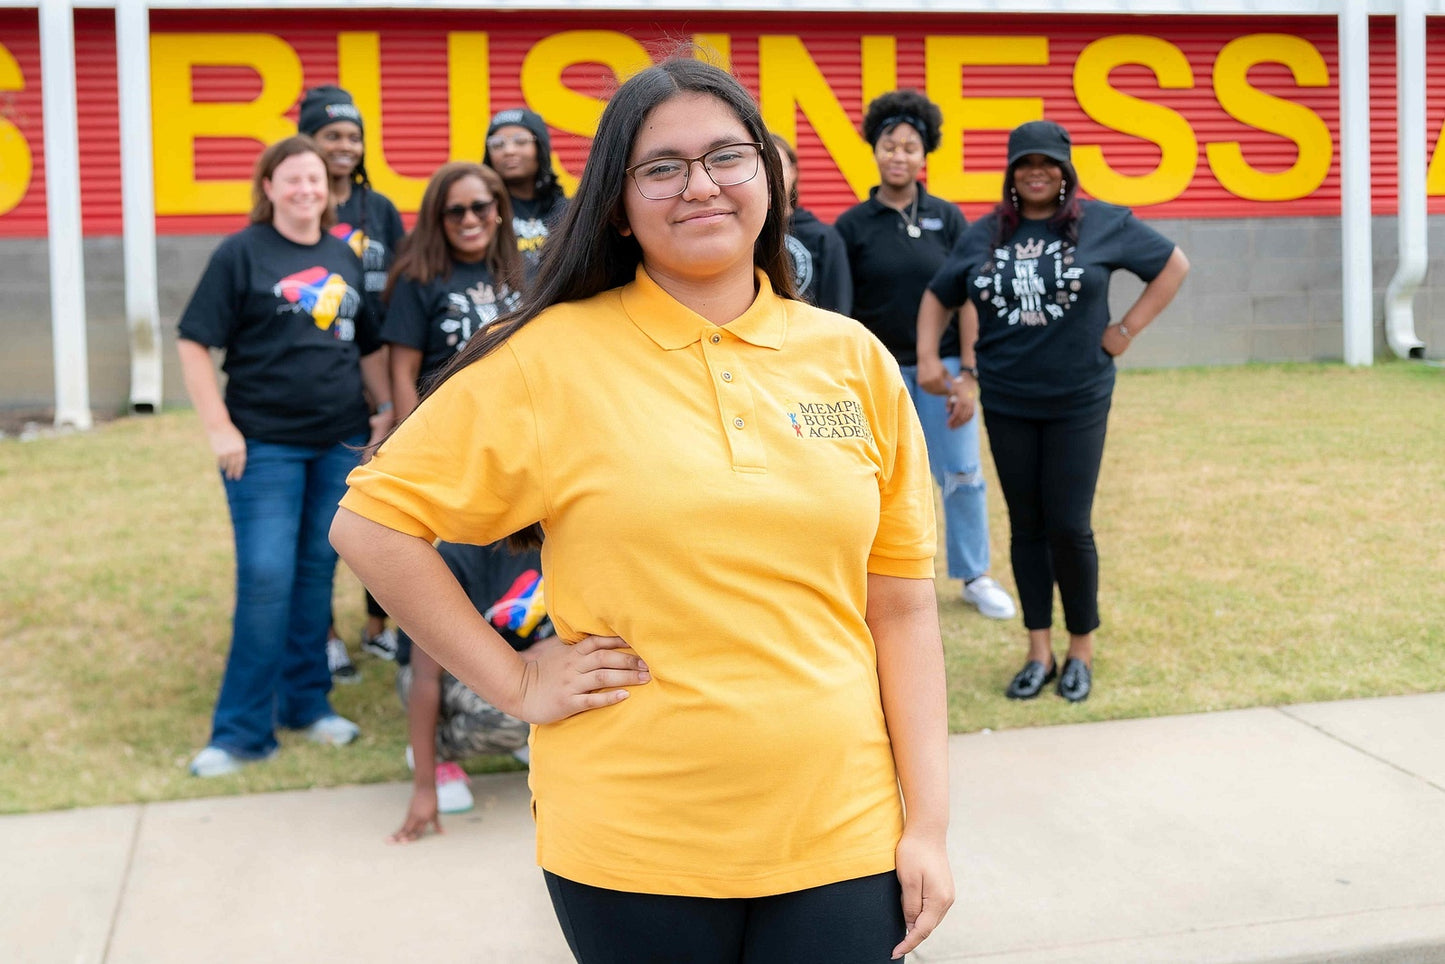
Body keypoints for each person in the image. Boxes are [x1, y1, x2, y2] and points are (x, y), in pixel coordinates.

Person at [332, 56, 952, 963]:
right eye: (660, 167)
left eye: (726, 157)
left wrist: (927, 824)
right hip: (634, 841)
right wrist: (512, 682)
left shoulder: (851, 359)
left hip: (843, 827)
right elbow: (371, 524)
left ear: (768, 181)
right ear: (617, 205)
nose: (699, 185)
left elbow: (900, 610)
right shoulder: (546, 357)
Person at [918, 119, 1189, 702]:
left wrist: (1126, 330)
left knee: (1069, 524)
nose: (1036, 172)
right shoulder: (987, 233)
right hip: (1010, 399)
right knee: (1028, 526)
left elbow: (1173, 265)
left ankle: (1080, 649)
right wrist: (928, 361)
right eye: (1024, 163)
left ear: (1065, 171)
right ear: (1012, 174)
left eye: (1048, 162)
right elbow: (941, 292)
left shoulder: (1102, 223)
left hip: (1078, 398)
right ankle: (1038, 649)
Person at [176, 135, 392, 778]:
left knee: (314, 576)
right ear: (268, 187)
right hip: (263, 446)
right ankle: (240, 731)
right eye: (291, 179)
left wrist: (382, 411)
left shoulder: (343, 256)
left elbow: (369, 345)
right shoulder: (240, 254)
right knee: (267, 578)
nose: (306, 190)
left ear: (329, 191)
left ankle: (307, 705)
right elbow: (193, 343)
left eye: (316, 181)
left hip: (338, 442)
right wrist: (220, 429)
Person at [834, 89, 1016, 622]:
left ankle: (975, 575)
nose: (899, 155)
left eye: (910, 147)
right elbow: (843, 310)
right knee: (871, 482)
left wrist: (970, 373)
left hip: (945, 373)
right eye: (890, 145)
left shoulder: (949, 218)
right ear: (875, 149)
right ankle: (869, 579)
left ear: (924, 155)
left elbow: (970, 299)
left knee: (961, 472)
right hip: (877, 376)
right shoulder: (852, 226)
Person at [297, 84, 408, 675]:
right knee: (321, 523)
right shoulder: (300, 208)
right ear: (306, 142)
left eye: (353, 136)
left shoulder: (382, 211)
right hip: (328, 378)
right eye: (331, 135)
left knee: (382, 511)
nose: (344, 146)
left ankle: (377, 627)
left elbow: (404, 284)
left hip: (381, 371)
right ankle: (326, 636)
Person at [389, 540, 554, 843]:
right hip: (439, 671)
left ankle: (527, 733)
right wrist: (425, 789)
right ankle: (433, 751)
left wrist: (548, 651)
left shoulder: (562, 542)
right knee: (510, 719)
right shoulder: (456, 558)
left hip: (518, 665)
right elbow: (425, 676)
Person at [383, 161, 524, 423]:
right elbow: (403, 373)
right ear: (438, 219)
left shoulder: (520, 270)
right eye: (455, 212)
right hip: (446, 428)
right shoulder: (417, 278)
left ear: (498, 208)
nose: (469, 219)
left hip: (514, 423)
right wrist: (407, 438)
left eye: (479, 207)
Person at [482, 107, 569, 281]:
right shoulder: (480, 213)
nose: (509, 151)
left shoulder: (570, 211)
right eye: (497, 144)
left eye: (520, 141)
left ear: (540, 148)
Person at [770, 133, 851, 314]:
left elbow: (838, 310)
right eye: (765, 166)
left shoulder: (824, 238)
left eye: (777, 165)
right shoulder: (744, 234)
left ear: (793, 171)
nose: (772, 174)